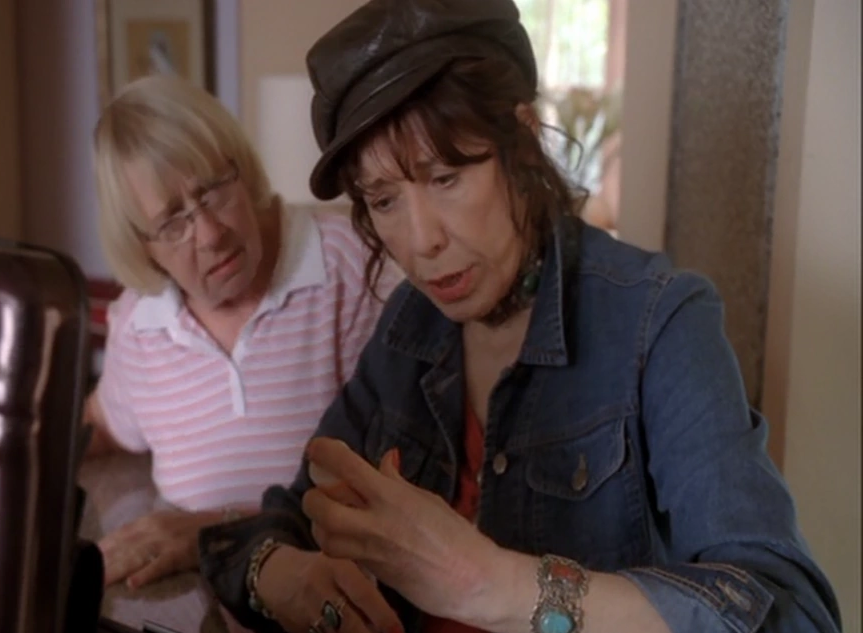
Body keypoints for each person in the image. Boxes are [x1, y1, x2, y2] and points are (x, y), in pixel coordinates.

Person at [197, 1, 842, 632]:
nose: (421, 241)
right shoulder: (409, 329)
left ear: (525, 140)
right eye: (385, 200)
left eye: (446, 178)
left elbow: (792, 613)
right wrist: (281, 574)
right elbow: (283, 515)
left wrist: (485, 582)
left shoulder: (659, 321)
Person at [86, 74, 400, 591]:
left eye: (213, 192)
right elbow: (101, 424)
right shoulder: (138, 326)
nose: (211, 235)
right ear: (143, 247)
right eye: (173, 223)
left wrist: (211, 532)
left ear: (241, 168)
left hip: (333, 590)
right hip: (190, 602)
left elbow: (393, 485)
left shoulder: (349, 269)